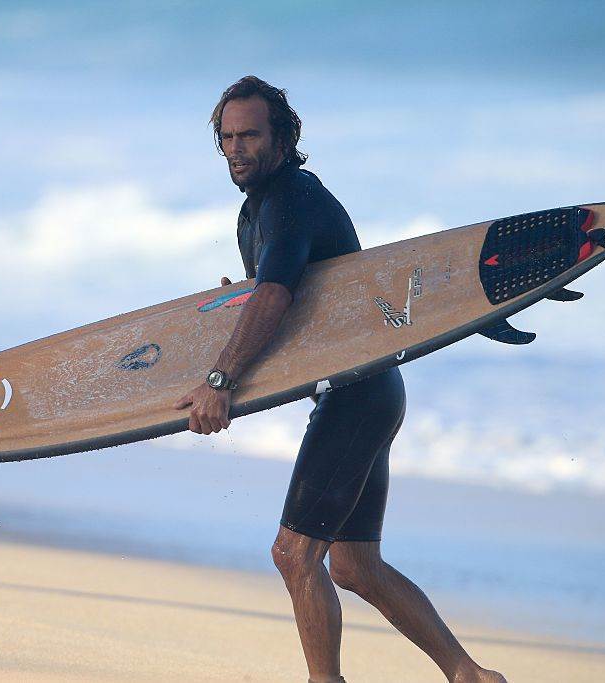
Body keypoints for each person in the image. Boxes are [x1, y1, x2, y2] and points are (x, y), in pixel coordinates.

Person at [173, 76, 507, 683]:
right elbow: (284, 298)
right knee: (352, 564)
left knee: (294, 554)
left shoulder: (289, 199)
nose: (237, 148)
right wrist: (242, 302)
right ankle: (470, 676)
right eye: (226, 137)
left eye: (250, 134)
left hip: (358, 394)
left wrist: (221, 379)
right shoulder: (261, 208)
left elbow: (276, 294)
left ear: (283, 137)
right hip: (366, 390)